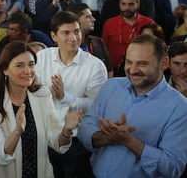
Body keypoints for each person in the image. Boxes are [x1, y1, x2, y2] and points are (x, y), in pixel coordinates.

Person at [77, 34, 187, 178]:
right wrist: (107, 137)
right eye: (129, 62)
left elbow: (172, 167)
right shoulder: (111, 86)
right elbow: (85, 127)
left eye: (142, 64)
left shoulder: (180, 107)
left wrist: (129, 141)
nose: (133, 70)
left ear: (164, 64)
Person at [0, 41, 83, 177]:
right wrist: (17, 131)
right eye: (19, 65)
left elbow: (56, 141)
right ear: (5, 69)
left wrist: (67, 130)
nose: (27, 71)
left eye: (31, 64)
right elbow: (0, 154)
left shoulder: (42, 94)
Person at [36, 11, 108, 178]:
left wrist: (64, 97)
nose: (73, 37)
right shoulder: (42, 57)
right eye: (66, 33)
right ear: (54, 36)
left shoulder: (95, 66)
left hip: (77, 143)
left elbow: (96, 105)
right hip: (44, 138)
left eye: (77, 31)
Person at [102, 0, 155, 74]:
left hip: (140, 70)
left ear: (138, 4)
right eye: (123, 4)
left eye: (131, 4)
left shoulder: (148, 23)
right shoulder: (110, 23)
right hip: (114, 70)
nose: (127, 8)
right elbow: (103, 49)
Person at [67, 3, 113, 78]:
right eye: (88, 17)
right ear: (76, 20)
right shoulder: (63, 45)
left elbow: (109, 71)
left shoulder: (98, 42)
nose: (93, 19)